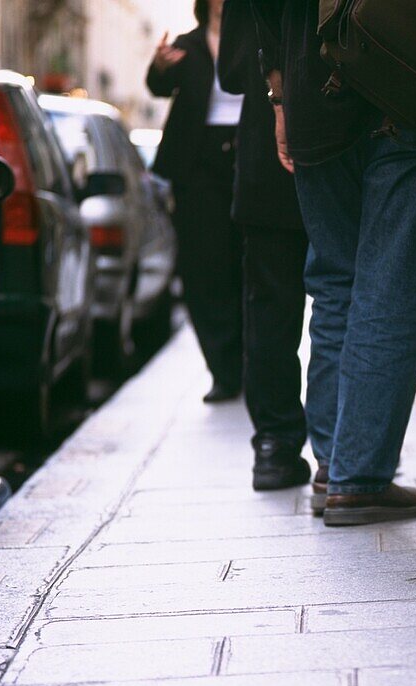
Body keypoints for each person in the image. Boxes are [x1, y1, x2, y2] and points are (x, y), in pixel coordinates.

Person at [260, 1, 416, 526]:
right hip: (411, 76)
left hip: (312, 81)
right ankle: (358, 479)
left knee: (336, 283)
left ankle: (334, 467)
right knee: (392, 288)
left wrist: (280, 95)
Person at [217, 0, 312, 490]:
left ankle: (275, 445)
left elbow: (234, 72)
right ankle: (349, 448)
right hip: (350, 151)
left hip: (270, 168)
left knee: (271, 308)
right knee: (350, 300)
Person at [146, 0, 245, 404]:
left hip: (248, 152)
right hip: (198, 160)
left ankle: (252, 362)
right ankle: (223, 369)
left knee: (249, 263)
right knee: (205, 267)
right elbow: (157, 87)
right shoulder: (188, 44)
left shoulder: (257, 37)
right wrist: (159, 67)